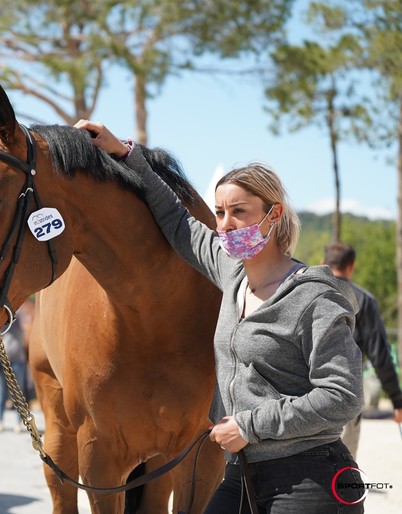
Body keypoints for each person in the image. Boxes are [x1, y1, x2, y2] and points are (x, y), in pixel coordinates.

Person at [74, 119, 365, 512]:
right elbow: (178, 222)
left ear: (274, 214)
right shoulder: (231, 272)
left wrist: (249, 425)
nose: (224, 225)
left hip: (309, 479)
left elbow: (343, 396)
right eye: (220, 212)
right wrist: (126, 154)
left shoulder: (314, 297)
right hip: (241, 475)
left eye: (239, 212)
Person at [323, 241, 402, 457]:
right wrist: (397, 399)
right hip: (345, 396)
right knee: (341, 476)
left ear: (323, 263)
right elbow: (380, 354)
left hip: (303, 397)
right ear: (351, 266)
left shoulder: (303, 292)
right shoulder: (363, 300)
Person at [0, 305, 29, 433]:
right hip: (0, 362)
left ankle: (19, 422)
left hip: (17, 361)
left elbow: (25, 324)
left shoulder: (19, 313)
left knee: (18, 394)